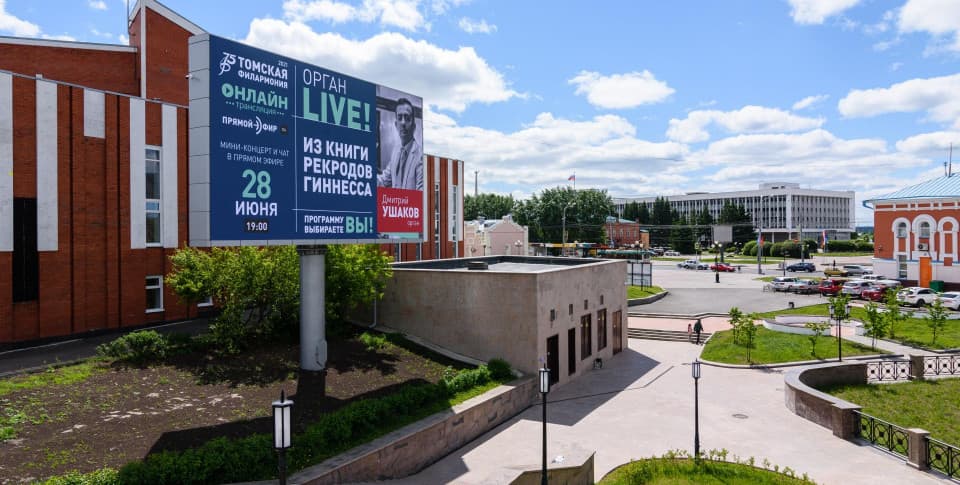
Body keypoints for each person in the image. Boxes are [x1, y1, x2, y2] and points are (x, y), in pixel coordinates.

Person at [377, 98, 423, 191]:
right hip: (396, 204)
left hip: (410, 205)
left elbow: (420, 195)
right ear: (395, 124)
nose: (403, 123)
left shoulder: (421, 156)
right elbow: (383, 181)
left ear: (414, 126)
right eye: (400, 118)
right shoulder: (395, 152)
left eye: (407, 118)